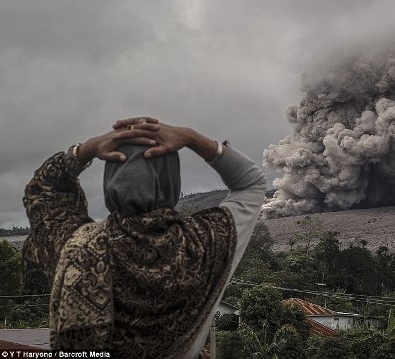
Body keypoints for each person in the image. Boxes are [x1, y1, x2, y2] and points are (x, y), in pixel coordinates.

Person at [22, 117, 266, 358]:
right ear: (171, 182)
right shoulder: (205, 242)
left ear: (110, 182)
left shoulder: (74, 244)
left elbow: (43, 191)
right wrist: (192, 137)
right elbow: (251, 184)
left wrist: (86, 149)